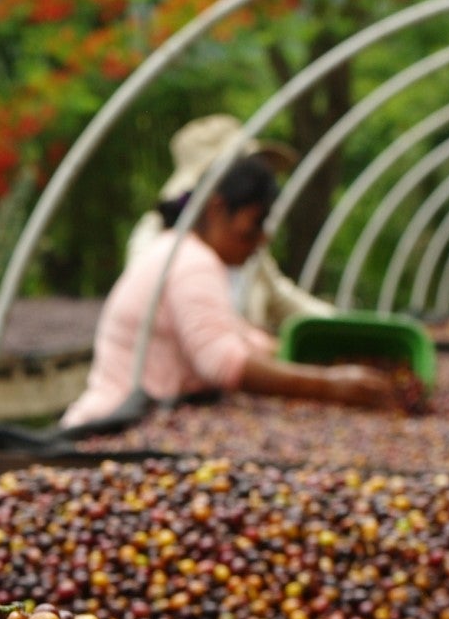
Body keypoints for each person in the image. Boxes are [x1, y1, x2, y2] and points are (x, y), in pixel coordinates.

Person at [59, 152, 402, 435]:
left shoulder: (183, 251)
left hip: (139, 423)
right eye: (256, 221)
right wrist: (330, 385)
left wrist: (309, 353)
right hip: (114, 429)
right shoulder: (192, 262)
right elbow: (224, 363)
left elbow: (236, 335)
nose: (261, 238)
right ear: (217, 209)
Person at [124, 114, 332, 335]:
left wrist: (345, 325)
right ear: (217, 204)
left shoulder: (243, 242)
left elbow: (282, 298)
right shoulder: (157, 245)